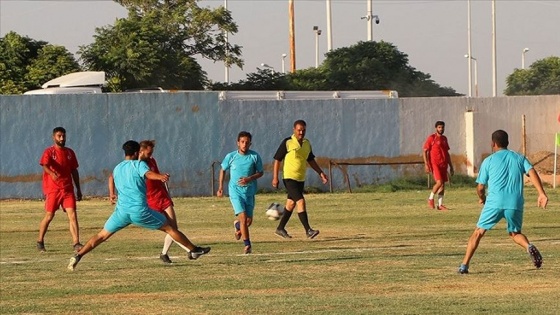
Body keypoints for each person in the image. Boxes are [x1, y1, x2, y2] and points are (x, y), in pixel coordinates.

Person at [68, 140, 210, 271]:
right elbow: (148, 174)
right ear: (137, 152)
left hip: (121, 212)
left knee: (102, 235)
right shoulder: (139, 164)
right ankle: (193, 249)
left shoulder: (117, 168)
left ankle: (78, 256)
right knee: (170, 228)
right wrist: (160, 177)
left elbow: (114, 179)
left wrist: (111, 194)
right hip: (139, 211)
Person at [458, 130, 548, 274]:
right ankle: (528, 246)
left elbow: (480, 187)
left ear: (493, 143)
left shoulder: (488, 161)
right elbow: (531, 171)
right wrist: (541, 193)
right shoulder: (519, 158)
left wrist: (482, 198)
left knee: (478, 232)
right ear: (508, 142)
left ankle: (464, 266)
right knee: (515, 233)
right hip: (515, 202)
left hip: (494, 202)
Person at [108, 140, 192, 264]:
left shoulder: (151, 160)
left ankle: (168, 253)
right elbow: (113, 177)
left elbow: (155, 174)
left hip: (162, 197)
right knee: (169, 228)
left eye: (152, 152)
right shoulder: (136, 165)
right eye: (148, 153)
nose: (150, 155)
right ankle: (189, 250)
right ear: (140, 152)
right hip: (150, 200)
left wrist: (162, 179)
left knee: (173, 227)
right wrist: (111, 193)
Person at [272, 119, 328, 239]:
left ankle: (280, 228)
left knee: (291, 204)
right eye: (299, 130)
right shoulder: (288, 142)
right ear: (294, 130)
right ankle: (308, 230)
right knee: (300, 201)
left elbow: (311, 160)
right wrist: (275, 177)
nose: (301, 133)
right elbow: (277, 159)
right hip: (289, 178)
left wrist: (321, 173)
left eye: (303, 130)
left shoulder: (307, 143)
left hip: (300, 178)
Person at [217, 131, 264, 254]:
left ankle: (238, 227)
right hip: (235, 192)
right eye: (242, 142)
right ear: (238, 143)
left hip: (249, 192)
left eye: (247, 143)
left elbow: (260, 172)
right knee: (243, 218)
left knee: (248, 221)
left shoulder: (254, 156)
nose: (244, 144)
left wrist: (249, 179)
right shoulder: (231, 156)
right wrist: (220, 187)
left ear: (250, 144)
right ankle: (247, 244)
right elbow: (222, 170)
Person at [37, 126, 83, 252]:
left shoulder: (70, 152)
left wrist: (78, 189)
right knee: (49, 215)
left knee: (72, 215)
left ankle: (76, 243)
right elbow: (45, 165)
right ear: (54, 137)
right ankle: (40, 241)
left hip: (68, 190)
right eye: (59, 136)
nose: (62, 138)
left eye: (63, 136)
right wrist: (51, 174)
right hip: (54, 190)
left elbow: (74, 170)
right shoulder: (49, 152)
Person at [422, 121, 454, 210]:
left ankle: (440, 205)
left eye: (442, 127)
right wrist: (426, 164)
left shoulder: (444, 139)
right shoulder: (432, 138)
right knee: (439, 182)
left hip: (443, 164)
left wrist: (451, 166)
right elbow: (425, 150)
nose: (441, 129)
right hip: (435, 164)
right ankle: (430, 198)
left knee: (442, 185)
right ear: (436, 128)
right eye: (439, 127)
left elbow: (447, 153)